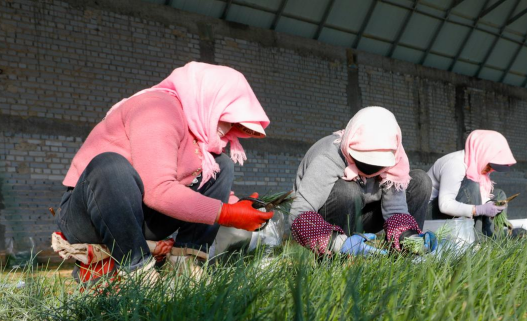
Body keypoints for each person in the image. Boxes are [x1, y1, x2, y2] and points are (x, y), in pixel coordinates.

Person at [54, 61, 272, 282]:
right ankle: (137, 272)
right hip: (91, 214)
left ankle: (185, 263)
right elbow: (159, 190)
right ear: (210, 101)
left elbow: (195, 179)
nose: (228, 130)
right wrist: (226, 213)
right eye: (227, 119)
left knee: (222, 164)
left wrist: (236, 205)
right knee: (111, 166)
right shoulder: (157, 108)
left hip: (140, 215)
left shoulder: (194, 128)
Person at [289, 107, 434, 256]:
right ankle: (338, 258)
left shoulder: (395, 158)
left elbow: (395, 210)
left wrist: (408, 236)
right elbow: (299, 214)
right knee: (347, 191)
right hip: (330, 219)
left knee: (421, 181)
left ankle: (407, 252)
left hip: (366, 216)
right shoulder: (328, 155)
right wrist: (338, 243)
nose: (371, 167)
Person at [427, 130, 517, 236]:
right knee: (472, 186)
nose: (490, 170)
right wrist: (477, 210)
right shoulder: (455, 164)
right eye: (489, 165)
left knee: (499, 195)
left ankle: (494, 237)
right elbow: (445, 205)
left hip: (455, 210)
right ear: (482, 153)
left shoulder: (476, 165)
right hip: (431, 213)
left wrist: (490, 205)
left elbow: (481, 197)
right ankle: (477, 240)